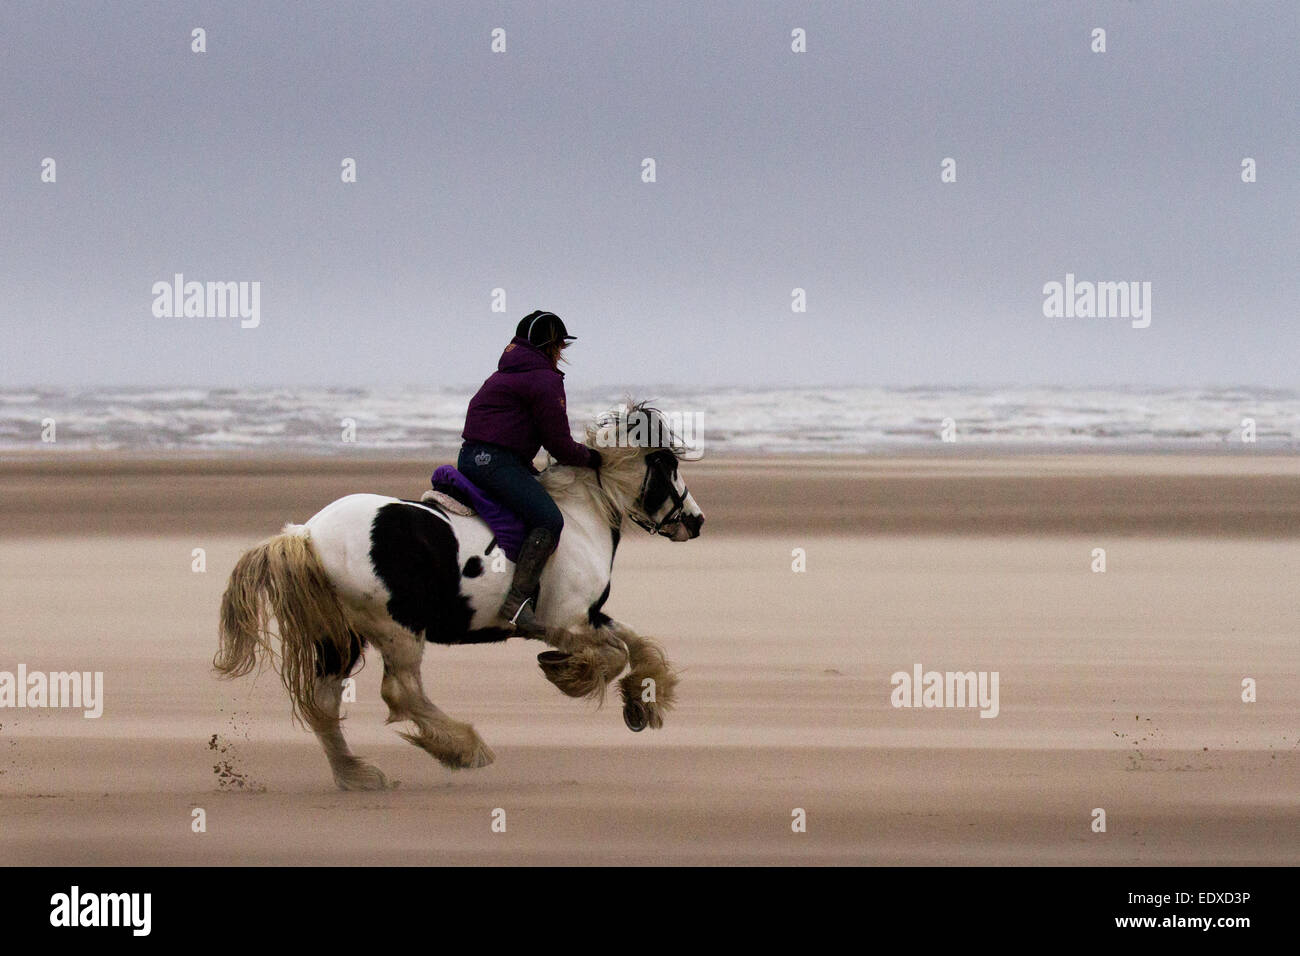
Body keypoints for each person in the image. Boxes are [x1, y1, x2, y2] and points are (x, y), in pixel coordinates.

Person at [458, 310, 602, 636]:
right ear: (552, 346)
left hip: (473, 457)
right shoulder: (543, 379)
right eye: (560, 346)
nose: (562, 353)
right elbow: (559, 444)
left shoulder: (506, 373)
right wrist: (594, 458)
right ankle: (517, 602)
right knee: (549, 520)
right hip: (497, 463)